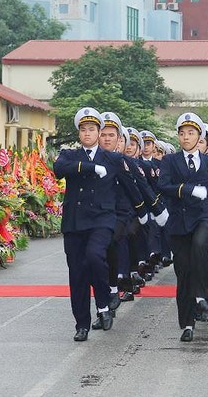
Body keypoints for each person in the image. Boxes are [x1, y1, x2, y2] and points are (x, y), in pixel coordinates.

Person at [53, 107, 144, 342]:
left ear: (99, 131)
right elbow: (59, 170)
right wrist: (90, 167)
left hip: (102, 220)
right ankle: (81, 323)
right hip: (75, 222)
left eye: (92, 129)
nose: (87, 134)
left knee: (95, 256)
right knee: (78, 274)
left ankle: (103, 300)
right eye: (83, 130)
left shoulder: (113, 158)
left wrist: (147, 211)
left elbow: (131, 185)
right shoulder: (70, 155)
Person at [158, 112, 208, 343]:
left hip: (204, 217)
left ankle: (201, 295)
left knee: (200, 245)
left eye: (191, 133)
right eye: (182, 133)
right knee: (184, 273)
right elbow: (163, 185)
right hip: (178, 223)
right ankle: (187, 323)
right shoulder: (169, 161)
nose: (186, 137)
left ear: (200, 136)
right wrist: (187, 189)